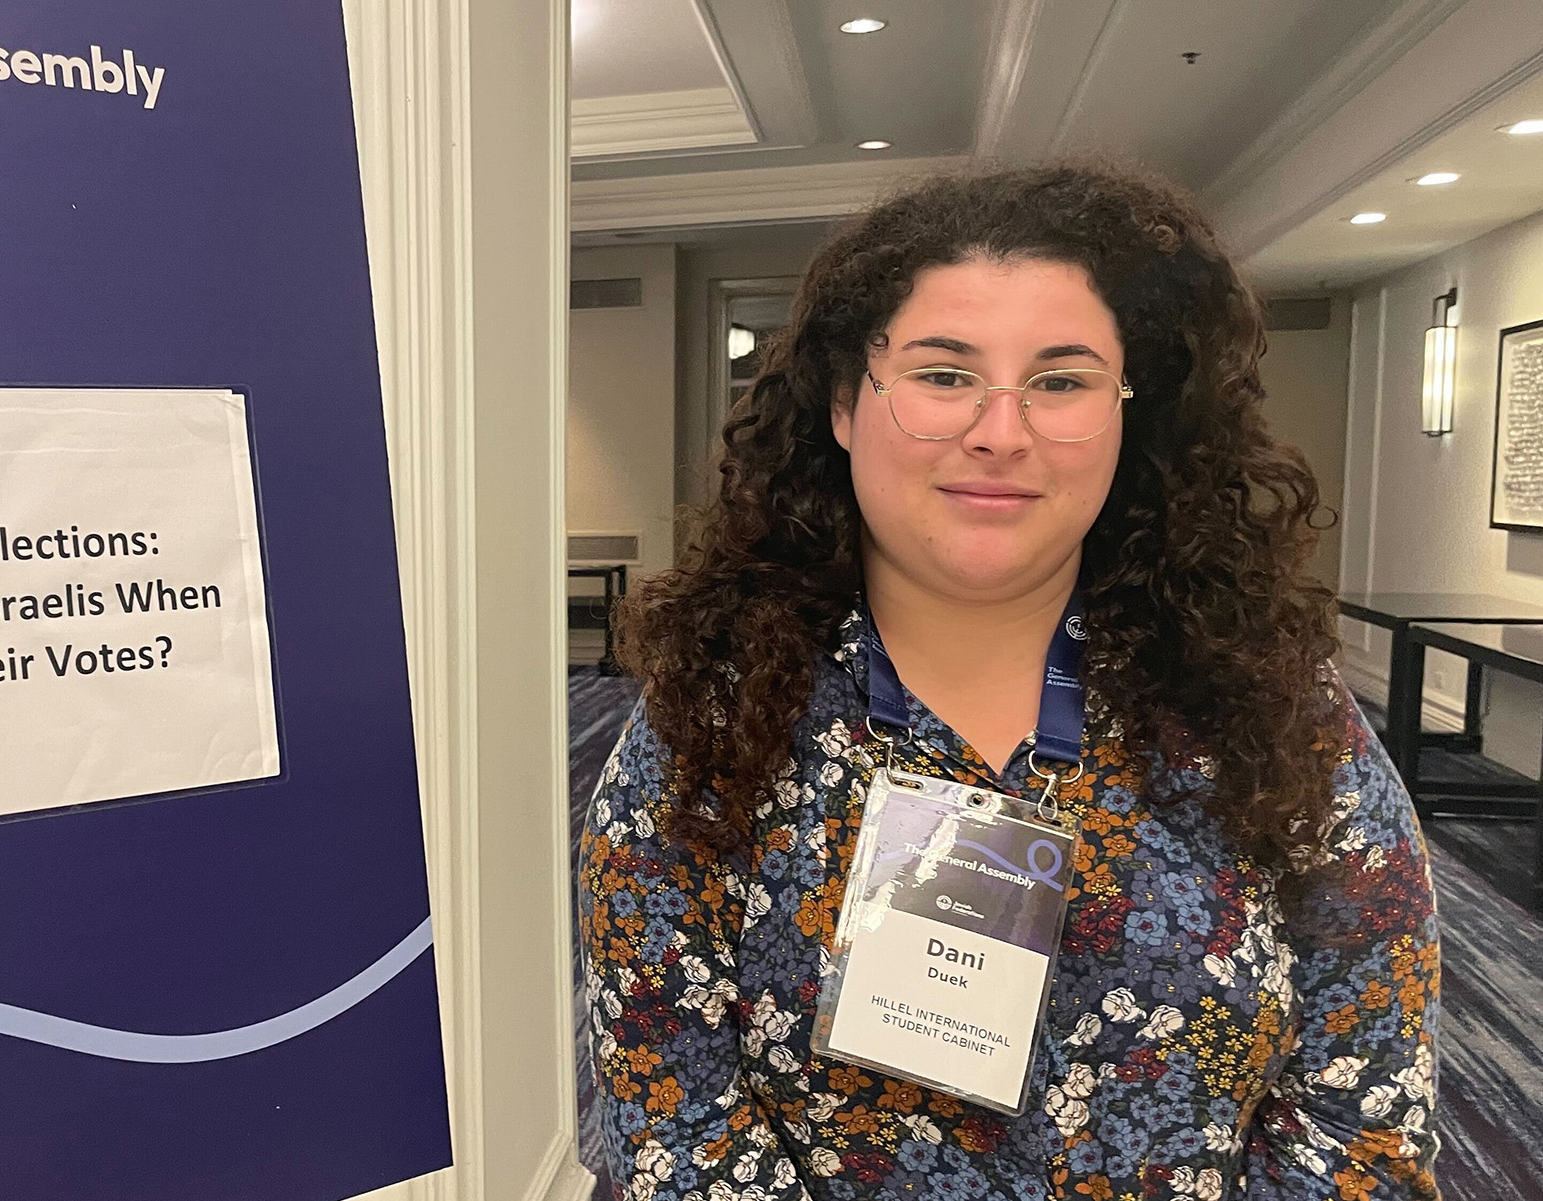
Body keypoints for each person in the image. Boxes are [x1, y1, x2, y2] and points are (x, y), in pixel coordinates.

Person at [582, 161, 1440, 1201]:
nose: (1000, 430)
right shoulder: (709, 726)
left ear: (1132, 415)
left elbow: (1362, 1117)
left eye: (1062, 380)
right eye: (945, 374)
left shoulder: (1264, 706)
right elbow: (677, 1125)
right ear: (848, 404)